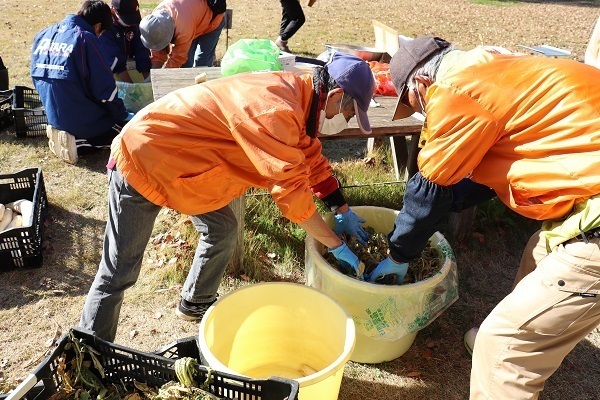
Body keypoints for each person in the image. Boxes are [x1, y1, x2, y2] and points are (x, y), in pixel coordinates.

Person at [79, 52, 376, 342]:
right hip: (144, 159)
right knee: (119, 271)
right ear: (336, 96)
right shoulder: (275, 111)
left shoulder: (299, 98)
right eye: (349, 114)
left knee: (222, 230)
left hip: (187, 166)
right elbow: (293, 195)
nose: (346, 122)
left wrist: (341, 208)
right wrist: (335, 245)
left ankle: (196, 302)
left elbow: (310, 159)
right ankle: (89, 356)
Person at [383, 35, 600, 399]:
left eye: (414, 104)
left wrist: (398, 254)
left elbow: (429, 187)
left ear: (421, 84)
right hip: (587, 197)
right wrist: (442, 202)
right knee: (538, 252)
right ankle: (524, 324)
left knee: (504, 346)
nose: (423, 113)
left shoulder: (457, 90)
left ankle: (511, 346)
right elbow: (493, 171)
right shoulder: (502, 72)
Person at [31, 0, 133, 164]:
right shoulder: (86, 39)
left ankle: (62, 130)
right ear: (98, 26)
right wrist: (123, 115)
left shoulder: (43, 34)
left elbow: (36, 77)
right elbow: (105, 91)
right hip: (79, 118)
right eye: (101, 32)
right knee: (124, 132)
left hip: (51, 111)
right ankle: (79, 142)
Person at [139, 0, 225, 68]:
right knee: (187, 63)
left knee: (202, 63)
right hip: (194, 20)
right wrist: (153, 75)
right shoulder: (155, 18)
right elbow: (157, 48)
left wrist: (163, 76)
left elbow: (178, 58)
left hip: (212, 21)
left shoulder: (183, 28)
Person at [100, 0, 151, 83]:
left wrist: (147, 80)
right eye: (127, 18)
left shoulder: (135, 21)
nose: (131, 23)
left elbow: (141, 49)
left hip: (130, 66)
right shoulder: (105, 26)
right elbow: (114, 58)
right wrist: (131, 88)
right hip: (114, 73)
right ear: (112, 11)